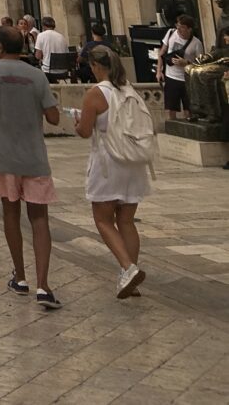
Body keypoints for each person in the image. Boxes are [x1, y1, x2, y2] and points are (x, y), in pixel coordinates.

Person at [0, 26, 62, 310]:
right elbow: (53, 117)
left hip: (2, 156)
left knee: (10, 213)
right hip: (33, 157)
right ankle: (43, 285)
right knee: (39, 219)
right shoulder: (37, 76)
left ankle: (21, 277)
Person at [72, 44, 152, 298]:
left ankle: (128, 268)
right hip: (133, 161)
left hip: (109, 161)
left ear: (96, 66)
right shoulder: (129, 89)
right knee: (126, 220)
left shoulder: (96, 93)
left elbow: (85, 131)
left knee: (103, 219)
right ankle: (130, 279)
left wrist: (78, 122)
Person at [156, 13, 203, 118]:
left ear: (189, 29)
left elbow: (201, 64)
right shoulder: (171, 33)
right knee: (171, 108)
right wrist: (159, 71)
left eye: (182, 27)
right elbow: (162, 53)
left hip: (187, 79)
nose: (179, 29)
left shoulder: (196, 43)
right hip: (171, 77)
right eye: (178, 26)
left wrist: (186, 63)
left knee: (188, 109)